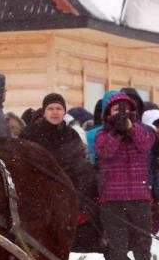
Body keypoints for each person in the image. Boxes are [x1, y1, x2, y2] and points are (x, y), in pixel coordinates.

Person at [20, 93, 99, 251]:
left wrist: (79, 193)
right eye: (50, 108)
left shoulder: (71, 135)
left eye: (59, 108)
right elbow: (22, 166)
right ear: (44, 111)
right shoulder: (30, 134)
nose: (55, 112)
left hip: (65, 194)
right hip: (37, 195)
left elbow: (80, 168)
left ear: (64, 112)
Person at [95, 92, 155, 260]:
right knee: (117, 246)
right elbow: (105, 151)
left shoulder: (142, 129)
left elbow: (145, 144)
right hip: (113, 199)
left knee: (142, 244)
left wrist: (130, 127)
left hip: (139, 197)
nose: (121, 113)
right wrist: (116, 131)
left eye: (125, 109)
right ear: (108, 113)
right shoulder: (102, 134)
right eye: (116, 109)